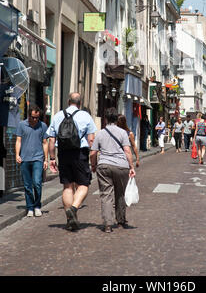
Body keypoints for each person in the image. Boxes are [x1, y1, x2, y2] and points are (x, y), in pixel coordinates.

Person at [47, 92, 97, 231]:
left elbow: (51, 140)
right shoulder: (85, 116)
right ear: (80, 103)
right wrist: (93, 158)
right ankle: (73, 209)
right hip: (80, 154)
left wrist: (52, 158)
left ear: (68, 101)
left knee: (67, 186)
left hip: (63, 153)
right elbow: (91, 140)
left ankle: (70, 221)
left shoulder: (57, 116)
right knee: (83, 184)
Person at [90, 107, 136, 233]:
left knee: (106, 195)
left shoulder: (100, 133)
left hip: (104, 165)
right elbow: (127, 151)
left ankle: (108, 224)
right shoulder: (122, 133)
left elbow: (93, 153)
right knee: (120, 193)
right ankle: (121, 220)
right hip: (121, 166)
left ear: (105, 119)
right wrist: (131, 166)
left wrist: (93, 165)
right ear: (116, 119)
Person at [15, 105, 48, 217]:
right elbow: (18, 141)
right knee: (27, 185)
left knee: (37, 183)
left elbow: (45, 143)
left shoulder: (42, 126)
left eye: (37, 118)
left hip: (38, 158)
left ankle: (37, 206)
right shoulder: (21, 125)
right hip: (25, 159)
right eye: (33, 117)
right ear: (29, 115)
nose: (35, 120)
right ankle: (30, 207)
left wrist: (46, 159)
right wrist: (17, 155)